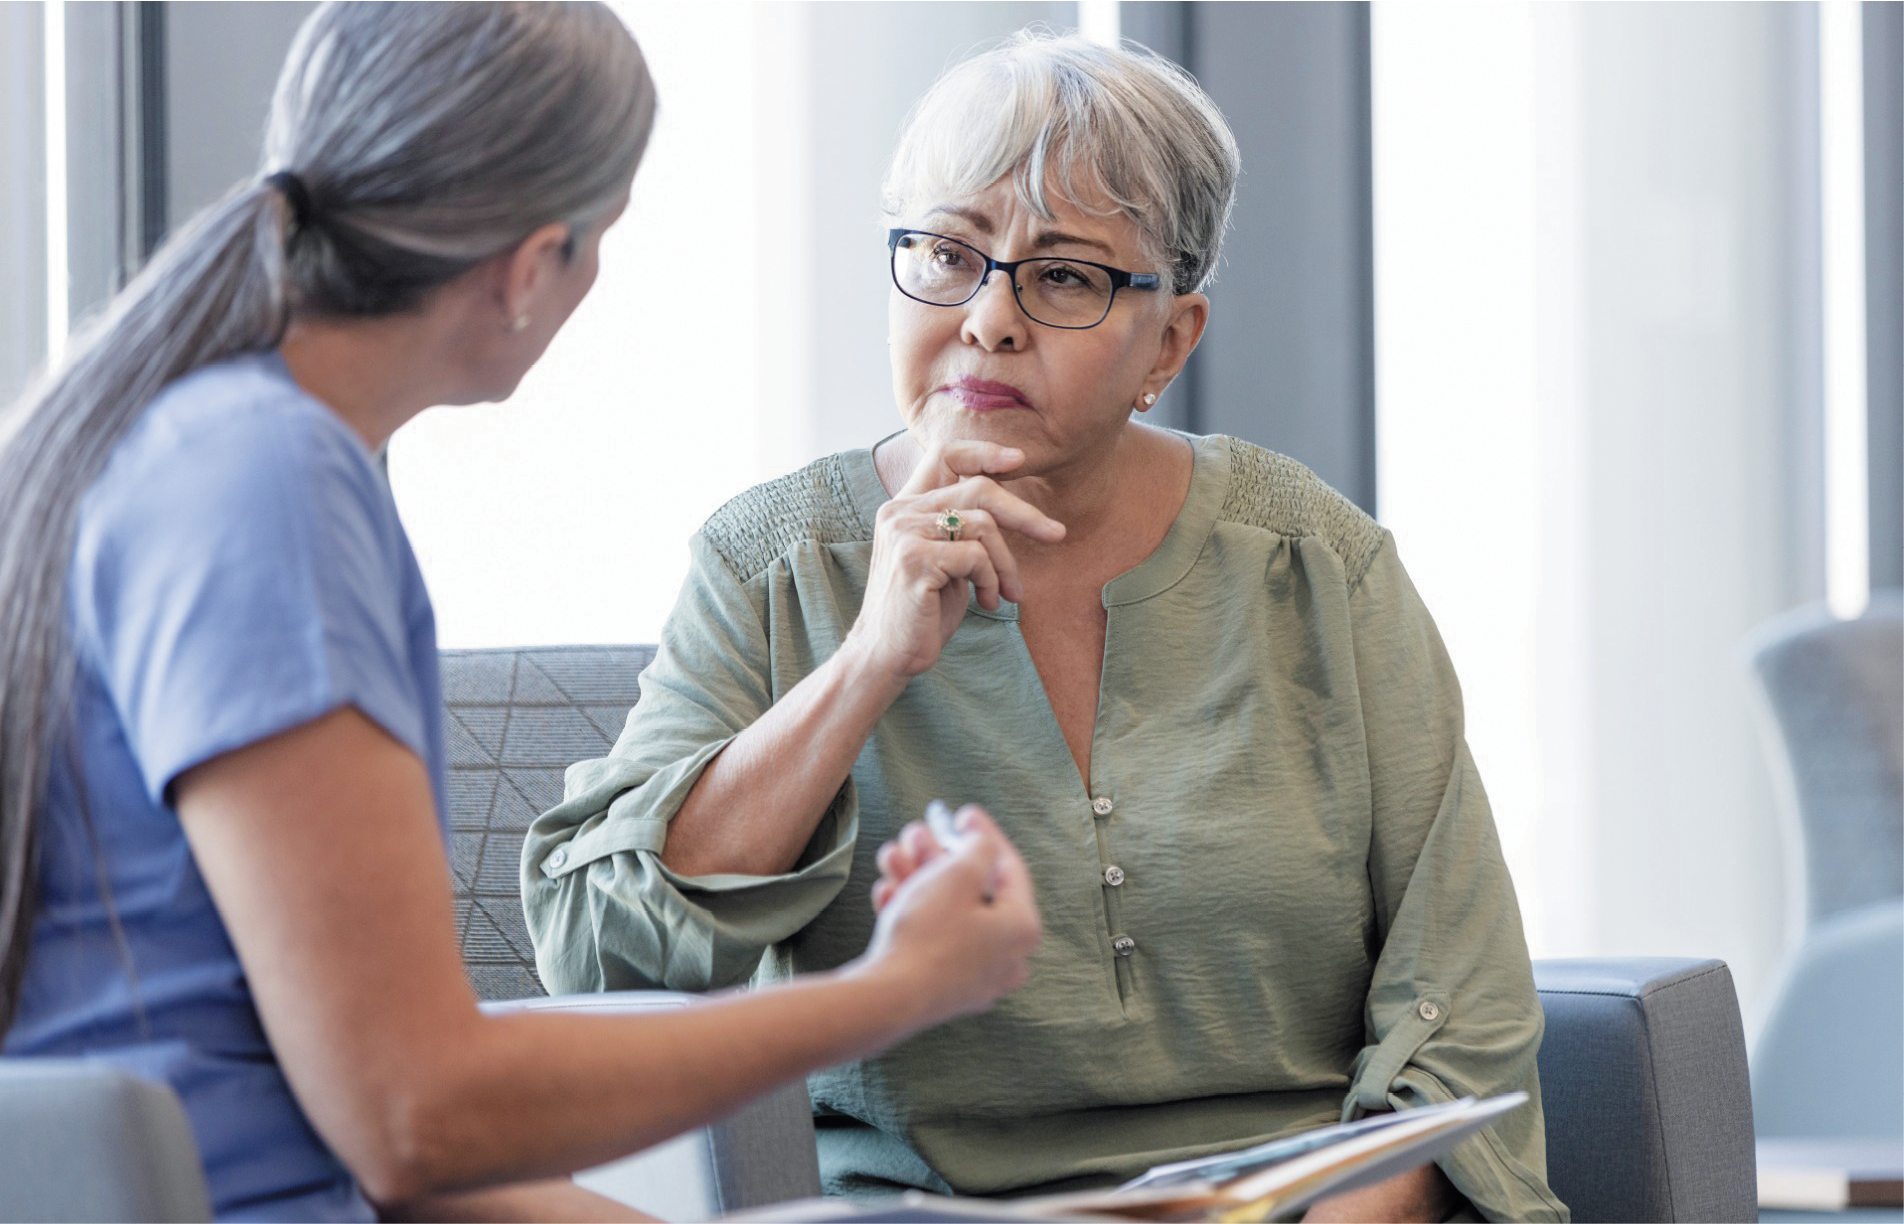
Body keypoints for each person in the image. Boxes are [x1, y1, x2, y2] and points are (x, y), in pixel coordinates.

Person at [0, 5, 1043, 1222]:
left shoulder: (189, 443)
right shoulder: (269, 487)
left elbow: (374, 1131)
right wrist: (896, 989)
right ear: (530, 262)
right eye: (603, 241)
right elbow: (418, 1117)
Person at [523, 30, 1568, 1224]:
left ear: (1167, 341)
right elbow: (594, 959)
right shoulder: (769, 563)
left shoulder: (1316, 564)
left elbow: (1463, 998)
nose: (987, 318)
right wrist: (866, 662)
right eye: (947, 254)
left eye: (1062, 275)